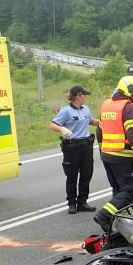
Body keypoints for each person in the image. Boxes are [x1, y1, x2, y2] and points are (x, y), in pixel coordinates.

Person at [93, 76, 133, 231]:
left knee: (118, 190)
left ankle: (120, 222)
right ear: (131, 91)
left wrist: (103, 149)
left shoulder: (107, 105)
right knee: (129, 191)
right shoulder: (128, 107)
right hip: (123, 156)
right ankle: (104, 215)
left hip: (108, 155)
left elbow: (99, 130)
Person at [49, 85, 98, 214]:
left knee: (86, 174)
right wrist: (61, 129)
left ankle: (82, 202)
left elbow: (91, 121)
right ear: (77, 96)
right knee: (72, 176)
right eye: (84, 95)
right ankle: (72, 203)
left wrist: (104, 121)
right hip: (72, 147)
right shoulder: (66, 111)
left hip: (86, 146)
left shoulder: (86, 109)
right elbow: (52, 125)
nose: (86, 97)